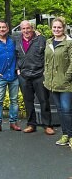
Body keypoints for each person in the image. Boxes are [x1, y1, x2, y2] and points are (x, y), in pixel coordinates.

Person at [15, 20, 54, 135]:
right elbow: (14, 55)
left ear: (32, 28)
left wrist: (45, 71)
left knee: (44, 100)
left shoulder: (41, 39)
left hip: (39, 74)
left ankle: (47, 125)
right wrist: (17, 68)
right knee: (28, 101)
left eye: (28, 28)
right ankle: (31, 124)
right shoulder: (16, 40)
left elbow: (47, 56)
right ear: (21, 30)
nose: (26, 31)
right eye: (23, 29)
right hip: (24, 75)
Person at [43, 17, 72, 147]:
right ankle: (65, 134)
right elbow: (47, 61)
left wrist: (67, 77)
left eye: (59, 27)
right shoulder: (49, 42)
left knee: (67, 110)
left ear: (64, 28)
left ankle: (71, 136)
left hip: (66, 83)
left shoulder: (69, 43)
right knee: (60, 110)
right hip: (52, 83)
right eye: (54, 27)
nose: (56, 29)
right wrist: (46, 75)